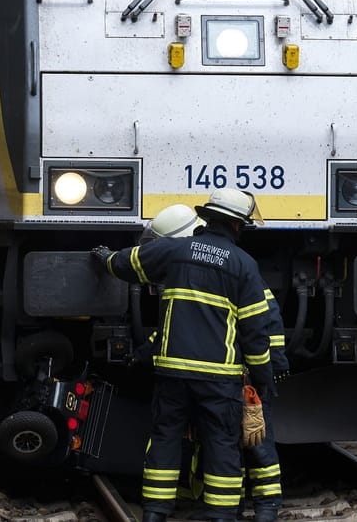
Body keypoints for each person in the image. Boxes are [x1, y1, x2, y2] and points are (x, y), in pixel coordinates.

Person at [93, 189, 277, 522]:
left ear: (207, 217)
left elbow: (125, 263)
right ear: (237, 225)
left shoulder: (174, 250)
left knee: (165, 438)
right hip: (218, 378)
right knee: (222, 443)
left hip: (172, 374)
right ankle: (221, 515)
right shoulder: (244, 265)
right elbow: (255, 334)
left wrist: (104, 256)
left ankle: (154, 513)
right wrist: (263, 381)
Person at [140, 204, 288, 522]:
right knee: (229, 441)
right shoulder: (227, 269)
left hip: (242, 374)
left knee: (256, 441)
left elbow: (262, 328)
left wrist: (264, 376)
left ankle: (266, 506)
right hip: (228, 375)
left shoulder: (224, 272)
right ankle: (231, 509)